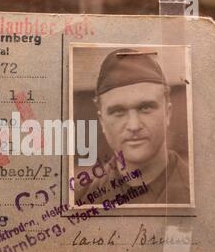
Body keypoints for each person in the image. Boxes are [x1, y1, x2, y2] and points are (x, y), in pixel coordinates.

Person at [75, 48, 190, 207]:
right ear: (102, 122)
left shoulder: (198, 193)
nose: (134, 126)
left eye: (145, 108)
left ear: (168, 113)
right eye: (118, 111)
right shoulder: (82, 199)